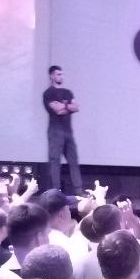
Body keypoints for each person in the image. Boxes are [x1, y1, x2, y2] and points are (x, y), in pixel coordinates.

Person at [43, 65, 83, 194]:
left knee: (73, 161)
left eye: (62, 74)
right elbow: (57, 110)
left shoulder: (68, 92)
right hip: (55, 131)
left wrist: (63, 105)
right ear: (52, 76)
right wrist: (68, 106)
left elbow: (76, 107)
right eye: (58, 74)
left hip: (68, 132)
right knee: (55, 162)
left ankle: (79, 191)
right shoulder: (49, 93)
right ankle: (56, 191)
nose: (61, 76)